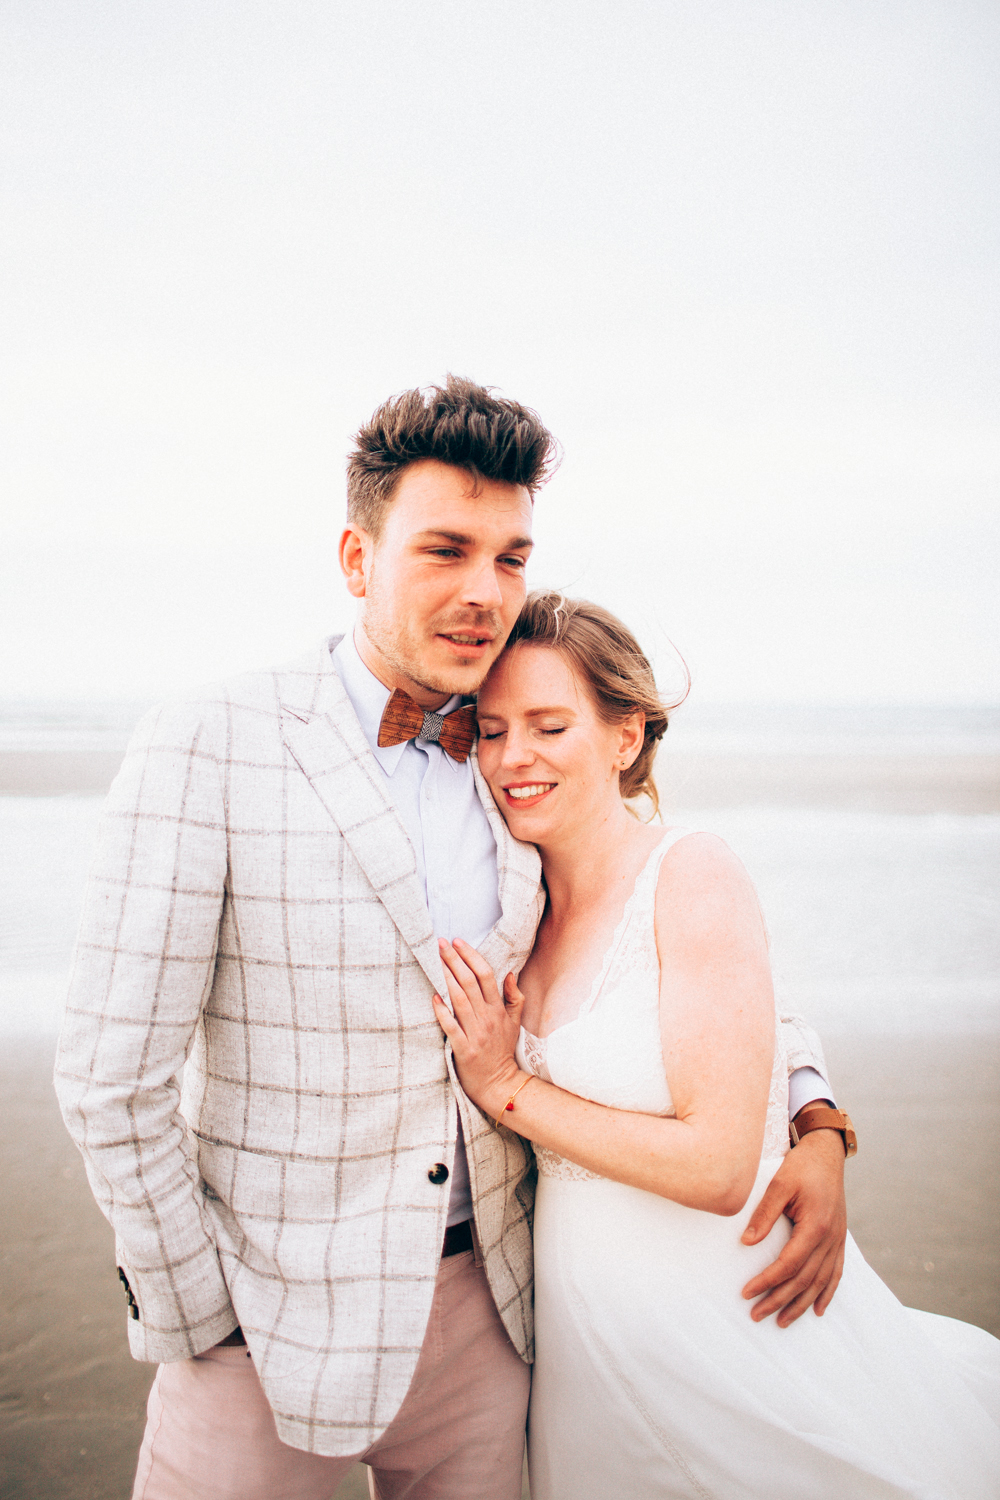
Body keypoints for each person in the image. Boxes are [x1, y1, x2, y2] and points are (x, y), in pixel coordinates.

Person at [56, 378, 847, 1500]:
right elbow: (109, 1079)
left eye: (510, 558)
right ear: (356, 558)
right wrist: (197, 1314)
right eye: (445, 550)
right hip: (262, 1331)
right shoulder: (209, 742)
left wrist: (815, 1115)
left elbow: (654, 931)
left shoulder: (513, 752)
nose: (485, 592)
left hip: (497, 1322)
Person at [433, 590, 1000, 1500]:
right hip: (586, 1353)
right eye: (492, 732)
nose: (513, 758)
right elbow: (767, 1020)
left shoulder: (691, 871)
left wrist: (508, 1087)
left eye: (550, 726)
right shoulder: (508, 898)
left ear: (625, 737)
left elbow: (718, 1166)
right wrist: (818, 1118)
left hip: (729, 1323)